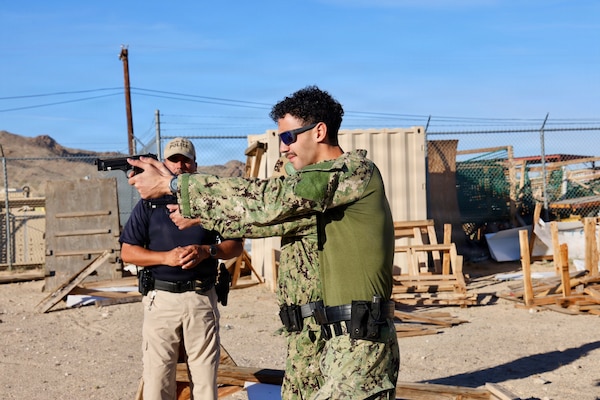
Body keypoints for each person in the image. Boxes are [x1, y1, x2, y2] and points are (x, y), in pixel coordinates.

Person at [128, 86, 400, 400]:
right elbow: (263, 217)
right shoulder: (319, 195)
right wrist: (202, 212)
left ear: (319, 131)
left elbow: (270, 200)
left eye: (288, 137)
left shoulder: (352, 173)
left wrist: (174, 184)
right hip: (320, 342)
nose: (284, 149)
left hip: (358, 345)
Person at [119, 137, 243, 400]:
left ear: (195, 166)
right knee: (157, 382)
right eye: (174, 160)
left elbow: (235, 246)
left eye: (186, 160)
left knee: (206, 385)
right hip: (161, 300)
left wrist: (206, 251)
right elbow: (127, 252)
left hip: (201, 298)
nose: (180, 165)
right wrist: (167, 258)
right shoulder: (149, 205)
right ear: (164, 164)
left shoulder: (210, 204)